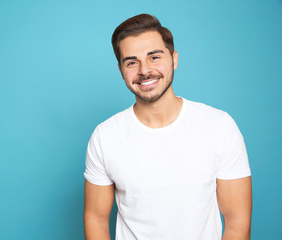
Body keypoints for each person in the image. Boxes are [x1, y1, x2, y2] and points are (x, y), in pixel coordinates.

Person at [83, 13, 252, 240]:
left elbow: (237, 220)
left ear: (174, 59)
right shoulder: (105, 136)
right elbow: (96, 219)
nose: (144, 70)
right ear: (121, 70)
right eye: (132, 62)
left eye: (154, 57)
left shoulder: (219, 126)